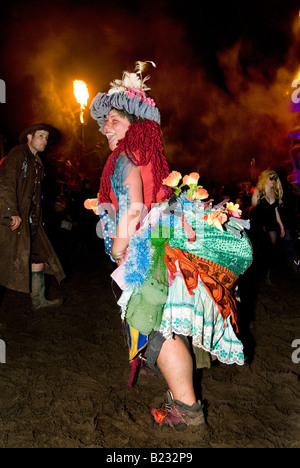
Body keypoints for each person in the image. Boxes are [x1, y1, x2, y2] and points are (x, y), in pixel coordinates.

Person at [87, 62, 253, 430]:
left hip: (150, 247)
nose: (105, 128)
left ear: (134, 122)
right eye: (104, 121)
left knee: (161, 328)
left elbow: (132, 208)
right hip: (161, 240)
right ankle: (168, 382)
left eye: (114, 119)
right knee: (160, 325)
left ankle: (188, 411)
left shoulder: (128, 157)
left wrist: (119, 250)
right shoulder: (143, 154)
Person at [0, 124, 65, 309]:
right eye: (41, 136)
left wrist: (38, 215)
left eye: (46, 137)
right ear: (29, 137)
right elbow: (5, 182)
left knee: (39, 256)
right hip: (12, 219)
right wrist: (11, 212)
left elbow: (34, 194)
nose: (44, 140)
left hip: (31, 220)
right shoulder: (18, 154)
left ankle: (38, 300)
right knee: (3, 261)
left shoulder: (37, 161)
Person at [251, 170, 285, 285]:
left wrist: (282, 227)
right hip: (260, 225)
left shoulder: (274, 194)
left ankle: (268, 275)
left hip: (272, 225)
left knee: (272, 250)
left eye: (275, 179)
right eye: (272, 178)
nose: (274, 181)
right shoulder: (258, 192)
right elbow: (253, 210)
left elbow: (276, 212)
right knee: (261, 251)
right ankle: (259, 273)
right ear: (265, 179)